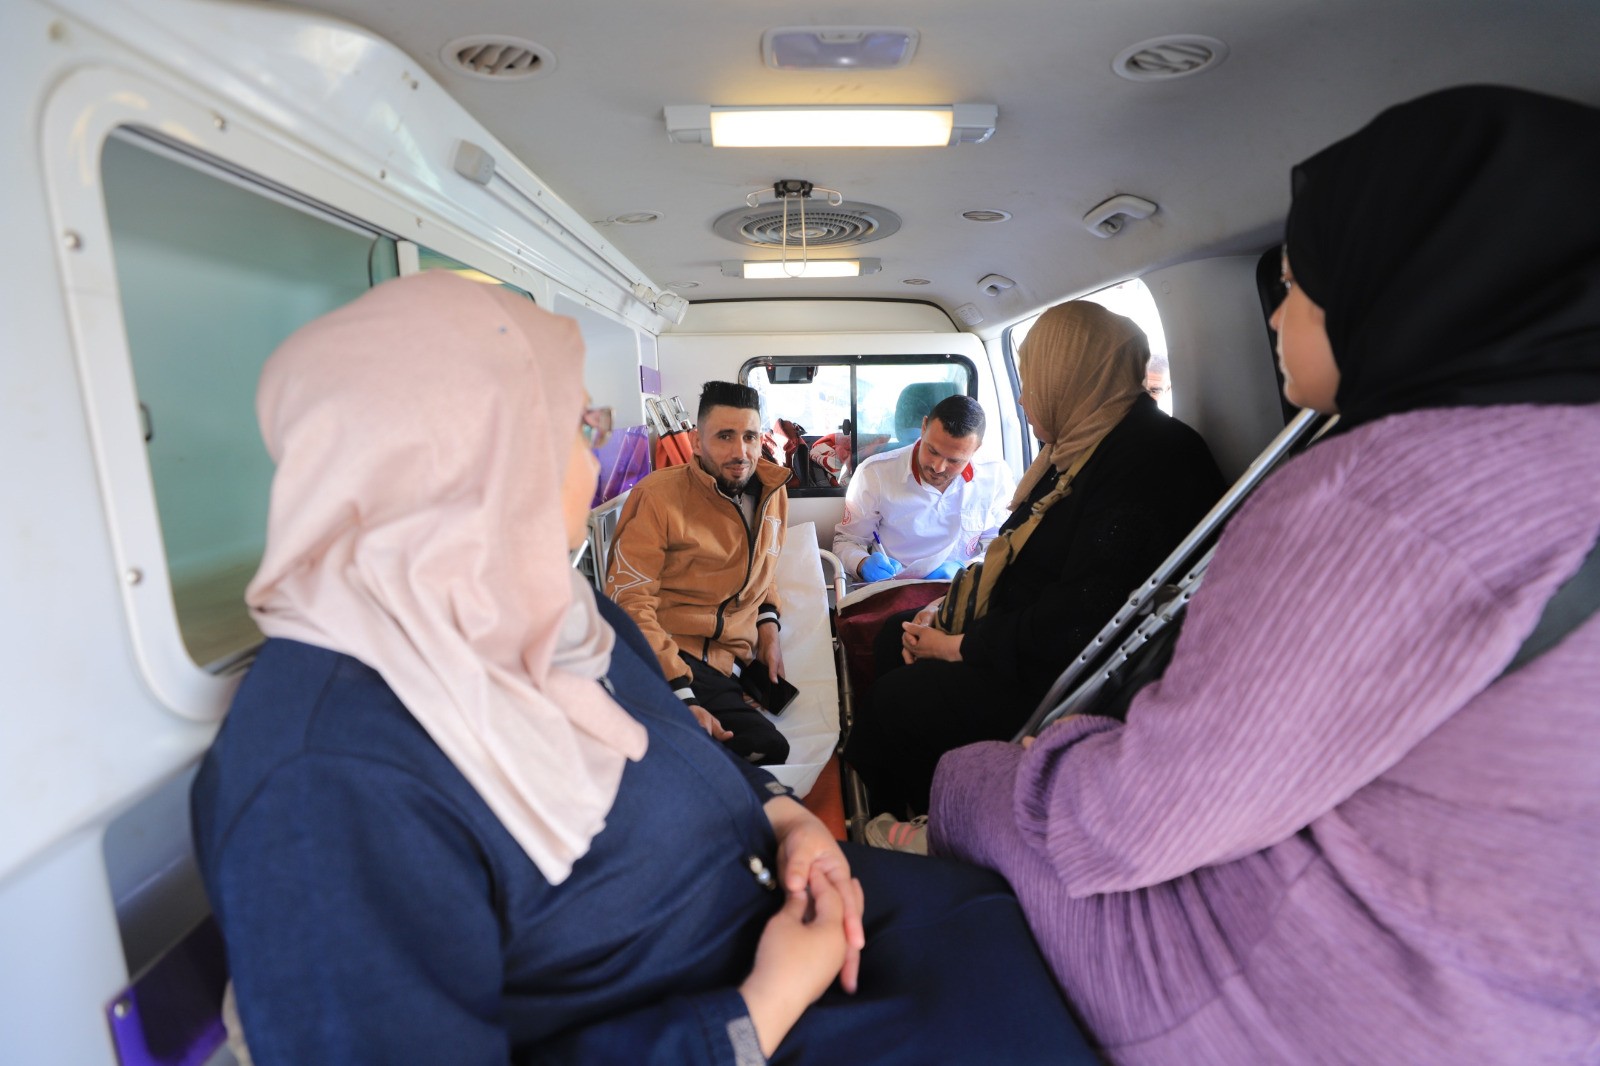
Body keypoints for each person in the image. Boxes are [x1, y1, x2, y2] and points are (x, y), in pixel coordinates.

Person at [189, 271, 1092, 1064]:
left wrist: (786, 821)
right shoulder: (316, 777)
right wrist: (765, 1002)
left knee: (1011, 916)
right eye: (577, 427)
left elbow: (673, 734)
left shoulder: (539, 606)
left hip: (769, 892)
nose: (592, 465)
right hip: (723, 1010)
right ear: (470, 449)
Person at [929, 86, 1600, 1064]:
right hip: (1545, 1002)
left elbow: (1133, 825)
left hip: (1348, 997)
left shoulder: (1374, 494)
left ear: (1393, 281)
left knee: (962, 775)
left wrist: (1043, 752)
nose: (1277, 314)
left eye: (1292, 283)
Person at [844, 301, 1223, 816]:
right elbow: (1014, 554)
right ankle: (921, 793)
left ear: (1072, 377)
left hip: (1057, 673)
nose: (1023, 398)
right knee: (896, 634)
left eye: (1032, 380)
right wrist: (945, 608)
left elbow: (1083, 614)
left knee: (894, 701)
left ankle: (914, 819)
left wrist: (959, 646)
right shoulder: (1076, 446)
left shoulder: (1149, 462)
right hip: (1021, 629)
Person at [606, 381, 791, 765]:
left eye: (749, 437)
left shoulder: (773, 493)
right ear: (696, 441)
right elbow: (628, 600)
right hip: (672, 650)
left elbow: (765, 566)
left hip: (729, 664)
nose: (740, 452)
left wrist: (768, 629)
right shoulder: (657, 497)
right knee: (762, 747)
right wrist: (680, 692)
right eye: (724, 436)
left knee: (768, 747)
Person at [833, 394, 1015, 583]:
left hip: (964, 587)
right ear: (923, 427)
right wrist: (862, 563)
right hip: (895, 587)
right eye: (932, 451)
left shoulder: (995, 475)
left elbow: (1003, 543)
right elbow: (847, 541)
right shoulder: (875, 473)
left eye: (954, 460)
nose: (938, 467)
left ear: (976, 449)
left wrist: (968, 568)